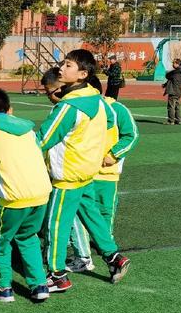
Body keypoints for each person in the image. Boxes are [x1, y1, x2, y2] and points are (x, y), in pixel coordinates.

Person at [38, 49, 130, 293]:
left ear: (82, 74)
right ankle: (114, 257)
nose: (61, 68)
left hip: (67, 176)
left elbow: (43, 139)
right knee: (92, 217)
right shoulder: (97, 100)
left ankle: (57, 275)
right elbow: (110, 122)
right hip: (87, 171)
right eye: (63, 63)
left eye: (67, 65)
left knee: (56, 224)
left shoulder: (68, 108)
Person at [53, 75, 140, 273]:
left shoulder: (115, 108)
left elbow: (131, 135)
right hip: (86, 170)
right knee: (79, 215)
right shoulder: (79, 108)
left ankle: (108, 256)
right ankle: (87, 257)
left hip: (107, 174)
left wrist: (113, 155)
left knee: (103, 214)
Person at [0, 89, 53, 303]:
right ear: (10, 110)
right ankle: (39, 286)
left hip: (14, 199)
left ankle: (3, 289)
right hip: (41, 195)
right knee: (28, 238)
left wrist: (2, 192)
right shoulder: (28, 130)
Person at [163, 58, 181, 125]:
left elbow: (168, 76)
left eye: (174, 63)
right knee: (177, 106)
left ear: (177, 64)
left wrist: (165, 83)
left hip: (173, 91)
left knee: (171, 106)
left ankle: (171, 120)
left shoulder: (175, 72)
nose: (172, 64)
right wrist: (165, 84)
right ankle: (178, 120)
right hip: (179, 91)